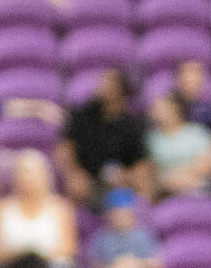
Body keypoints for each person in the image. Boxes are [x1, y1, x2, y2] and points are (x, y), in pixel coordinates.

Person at [0, 151, 78, 268]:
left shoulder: (61, 208)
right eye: (23, 172)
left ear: (45, 175)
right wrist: (21, 255)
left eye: (33, 172)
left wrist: (35, 255)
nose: (28, 178)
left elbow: (69, 249)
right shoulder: (1, 209)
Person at [59, 68, 147, 202]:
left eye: (109, 82)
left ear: (121, 90)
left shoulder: (132, 125)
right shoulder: (82, 116)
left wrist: (125, 177)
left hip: (120, 184)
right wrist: (73, 173)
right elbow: (65, 148)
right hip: (87, 180)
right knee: (77, 187)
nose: (102, 85)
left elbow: (140, 163)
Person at [145, 89, 211, 196]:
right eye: (154, 109)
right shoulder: (151, 139)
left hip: (197, 186)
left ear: (175, 108)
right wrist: (169, 181)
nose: (155, 112)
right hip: (164, 190)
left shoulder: (197, 132)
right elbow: (149, 170)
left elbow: (207, 164)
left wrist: (181, 176)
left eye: (161, 108)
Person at [87, 186, 163, 268]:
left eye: (124, 213)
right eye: (116, 213)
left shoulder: (143, 236)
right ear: (109, 215)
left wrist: (137, 267)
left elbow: (157, 266)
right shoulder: (100, 238)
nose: (121, 217)